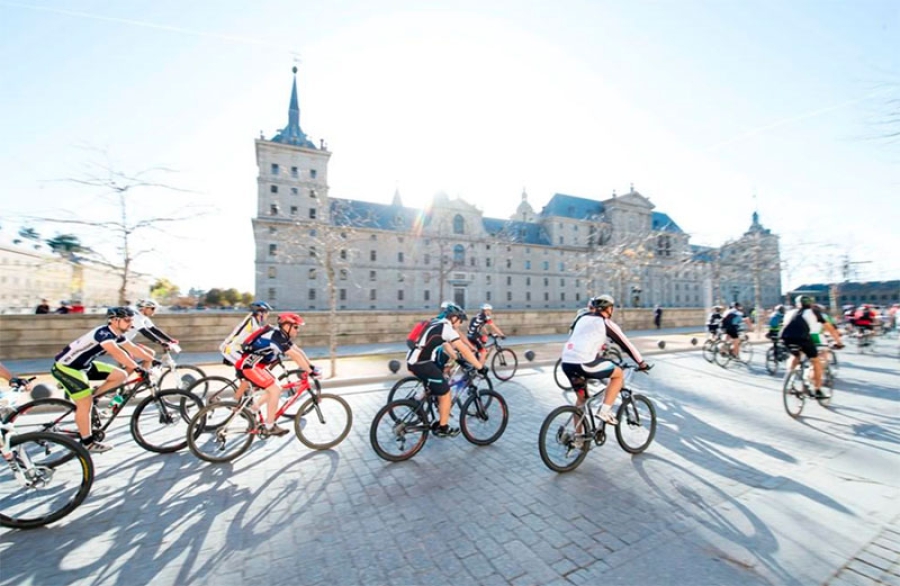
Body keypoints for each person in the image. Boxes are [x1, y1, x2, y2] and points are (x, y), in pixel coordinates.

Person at [50, 307, 154, 452]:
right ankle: (88, 442)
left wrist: (152, 359)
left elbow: (133, 349)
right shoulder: (103, 333)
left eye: (131, 320)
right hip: (67, 368)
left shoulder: (117, 334)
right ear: (114, 320)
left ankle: (93, 398)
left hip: (84, 366)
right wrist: (137, 368)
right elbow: (117, 353)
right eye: (127, 320)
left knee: (121, 375)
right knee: (85, 403)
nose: (131, 324)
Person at [560, 295, 649, 428]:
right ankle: (605, 411)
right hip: (584, 363)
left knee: (582, 400)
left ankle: (577, 439)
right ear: (609, 309)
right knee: (618, 374)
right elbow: (626, 344)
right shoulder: (605, 323)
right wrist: (641, 363)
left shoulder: (582, 318)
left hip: (567, 362)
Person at [406, 303, 485, 438]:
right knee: (446, 392)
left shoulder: (437, 323)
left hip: (412, 361)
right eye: (460, 320)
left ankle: (418, 402)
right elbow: (463, 348)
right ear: (453, 318)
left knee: (435, 384)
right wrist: (480, 367)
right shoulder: (447, 328)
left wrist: (458, 359)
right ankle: (443, 427)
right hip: (422, 363)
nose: (460, 324)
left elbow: (446, 346)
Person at [234, 312, 317, 436]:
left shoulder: (281, 336)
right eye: (296, 327)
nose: (297, 330)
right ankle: (270, 426)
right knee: (275, 390)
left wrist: (311, 367)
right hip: (249, 366)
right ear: (286, 326)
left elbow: (298, 351)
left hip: (256, 365)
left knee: (276, 387)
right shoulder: (276, 337)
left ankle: (252, 410)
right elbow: (294, 355)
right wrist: (311, 372)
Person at [781, 296, 844, 399]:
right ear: (811, 303)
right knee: (816, 361)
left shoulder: (789, 313)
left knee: (795, 356)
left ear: (797, 304)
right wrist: (839, 342)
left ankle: (789, 379)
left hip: (787, 338)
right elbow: (830, 329)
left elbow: (784, 326)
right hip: (808, 338)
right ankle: (817, 389)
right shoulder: (814, 312)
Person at [220, 301, 273, 404]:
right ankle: (235, 401)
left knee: (252, 369)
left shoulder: (254, 321)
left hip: (237, 349)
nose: (268, 314)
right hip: (230, 349)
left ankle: (246, 396)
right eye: (266, 312)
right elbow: (260, 337)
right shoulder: (252, 321)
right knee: (248, 372)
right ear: (260, 312)